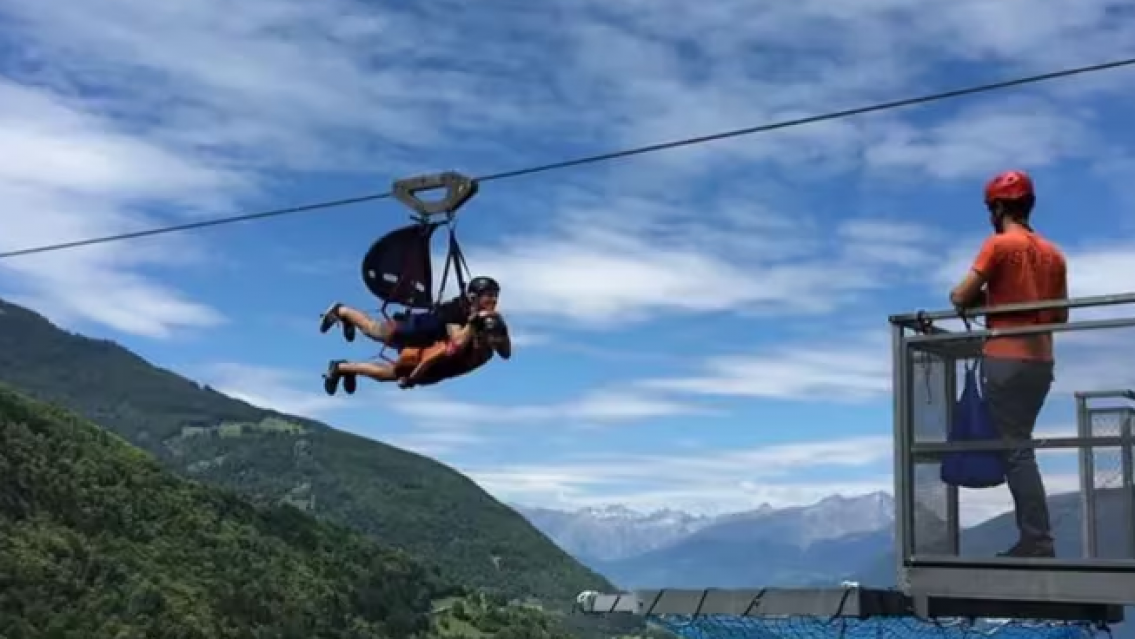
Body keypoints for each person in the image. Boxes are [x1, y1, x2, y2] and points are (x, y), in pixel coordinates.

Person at [948, 169, 1068, 558]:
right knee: (1020, 445)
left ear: (998, 207)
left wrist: (981, 301)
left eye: (991, 208)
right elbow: (1060, 315)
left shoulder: (998, 246)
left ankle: (1037, 539)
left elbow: (961, 296)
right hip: (1041, 360)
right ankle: (1036, 536)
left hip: (1005, 358)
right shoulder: (1053, 254)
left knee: (1016, 450)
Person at [323, 311, 510, 394]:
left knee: (386, 374)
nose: (495, 340)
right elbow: (429, 360)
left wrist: (497, 320)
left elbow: (506, 353)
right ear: (480, 335)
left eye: (497, 337)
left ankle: (343, 367)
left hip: (439, 371)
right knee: (374, 334)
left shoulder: (488, 350)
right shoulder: (461, 346)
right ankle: (343, 312)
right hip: (423, 361)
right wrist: (411, 380)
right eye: (492, 336)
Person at [318, 275, 504, 348]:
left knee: (372, 333)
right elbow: (457, 341)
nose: (494, 300)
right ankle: (341, 310)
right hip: (409, 328)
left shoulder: (470, 312)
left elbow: (503, 352)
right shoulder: (456, 310)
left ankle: (347, 318)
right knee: (372, 329)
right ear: (473, 297)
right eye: (489, 295)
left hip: (419, 340)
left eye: (495, 296)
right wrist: (474, 323)